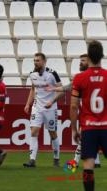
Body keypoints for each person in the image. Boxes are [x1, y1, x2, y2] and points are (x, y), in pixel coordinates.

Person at [46, 54, 102, 168]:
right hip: (92, 115)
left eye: (83, 61)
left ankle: (75, 163)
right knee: (91, 138)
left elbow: (72, 99)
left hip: (93, 115)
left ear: (90, 62)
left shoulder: (83, 78)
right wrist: (54, 88)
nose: (80, 63)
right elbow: (68, 87)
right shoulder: (84, 77)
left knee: (85, 137)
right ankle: (95, 161)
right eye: (80, 60)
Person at [71, 41, 107, 191]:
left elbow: (73, 106)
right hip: (106, 127)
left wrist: (74, 129)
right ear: (102, 56)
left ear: (89, 56)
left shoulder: (79, 78)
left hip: (88, 128)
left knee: (88, 166)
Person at [23, 53, 64, 168]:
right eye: (34, 60)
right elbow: (32, 89)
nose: (35, 62)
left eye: (38, 60)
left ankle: (56, 158)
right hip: (37, 107)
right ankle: (32, 160)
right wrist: (28, 104)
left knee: (52, 133)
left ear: (44, 61)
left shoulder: (52, 73)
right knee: (33, 132)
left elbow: (61, 90)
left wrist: (52, 101)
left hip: (50, 108)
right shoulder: (32, 74)